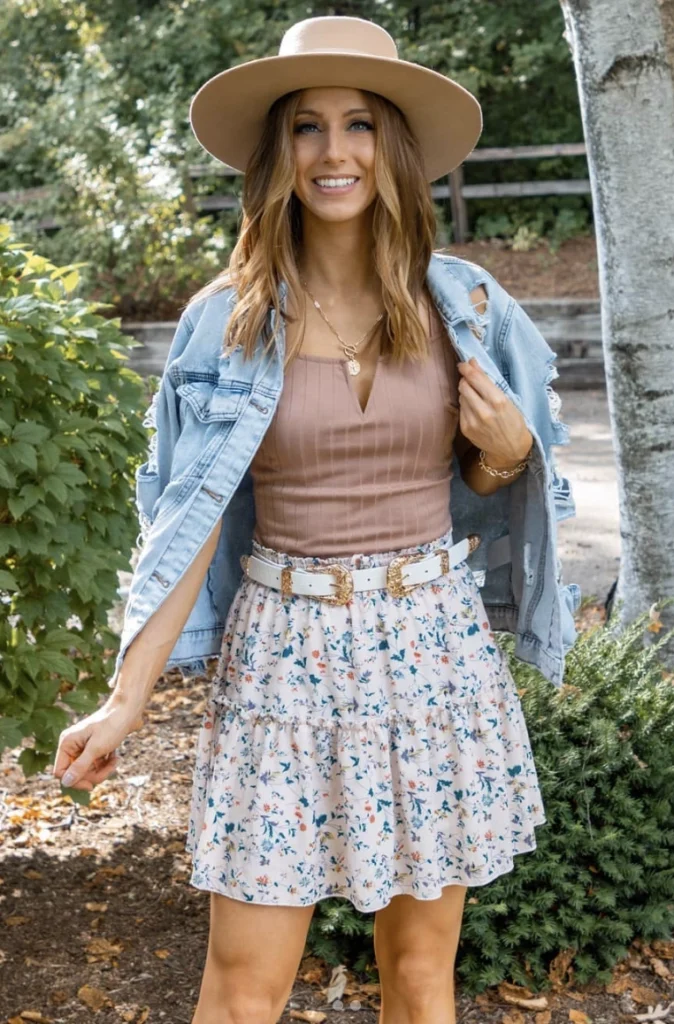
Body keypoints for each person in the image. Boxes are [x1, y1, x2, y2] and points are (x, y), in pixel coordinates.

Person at [53, 15, 579, 1024]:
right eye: (305, 126)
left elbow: (505, 471)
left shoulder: (463, 305)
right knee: (244, 983)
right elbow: (186, 516)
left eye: (357, 125)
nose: (333, 152)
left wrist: (508, 452)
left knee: (420, 975)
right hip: (282, 656)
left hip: (430, 650)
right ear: (276, 152)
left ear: (393, 146)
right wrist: (127, 699)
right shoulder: (227, 320)